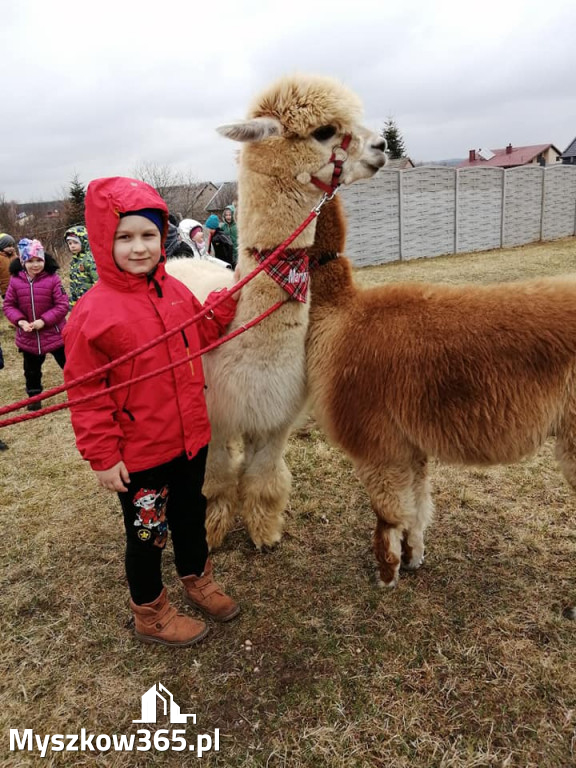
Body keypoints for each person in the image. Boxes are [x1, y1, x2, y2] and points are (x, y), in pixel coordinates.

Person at [63, 176, 240, 648]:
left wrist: (227, 301)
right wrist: (102, 456)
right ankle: (151, 612)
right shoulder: (91, 315)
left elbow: (201, 330)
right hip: (141, 456)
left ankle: (197, 578)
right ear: (105, 240)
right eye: (125, 237)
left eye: (148, 235)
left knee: (190, 514)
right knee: (147, 534)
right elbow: (85, 394)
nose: (139, 248)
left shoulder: (176, 293)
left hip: (190, 440)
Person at [3, 239, 69, 411]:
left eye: (39, 260)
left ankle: (79, 389)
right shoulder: (16, 281)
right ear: (23, 262)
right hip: (28, 336)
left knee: (68, 363)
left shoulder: (53, 279)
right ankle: (34, 396)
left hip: (55, 334)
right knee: (31, 370)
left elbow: (62, 305)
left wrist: (44, 321)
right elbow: (9, 305)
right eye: (30, 261)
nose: (35, 265)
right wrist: (20, 321)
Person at [64, 224, 99, 308]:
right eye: (70, 243)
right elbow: (73, 285)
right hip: (80, 303)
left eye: (76, 242)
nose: (72, 246)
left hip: (92, 303)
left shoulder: (90, 260)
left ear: (84, 241)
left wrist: (97, 302)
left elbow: (97, 282)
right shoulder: (74, 262)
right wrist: (73, 305)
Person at [0, 232, 18, 298]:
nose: (12, 248)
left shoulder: (14, 256)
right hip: (5, 288)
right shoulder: (1, 258)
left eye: (13, 246)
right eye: (9, 246)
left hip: (16, 286)